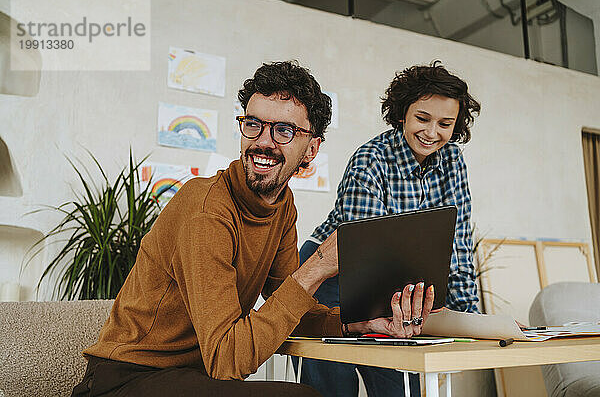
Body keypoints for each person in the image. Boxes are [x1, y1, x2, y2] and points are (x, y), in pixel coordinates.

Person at [70, 61, 435, 397]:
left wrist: (358, 323)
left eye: (284, 130)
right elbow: (227, 361)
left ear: (311, 150)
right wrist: (318, 265)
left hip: (191, 379)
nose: (263, 141)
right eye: (254, 125)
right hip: (125, 380)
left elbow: (295, 312)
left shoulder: (281, 206)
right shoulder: (207, 211)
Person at [295, 61, 482, 397]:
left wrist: (469, 323)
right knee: (333, 386)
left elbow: (459, 246)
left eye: (445, 123)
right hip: (332, 273)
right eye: (422, 119)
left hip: (393, 276)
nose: (431, 132)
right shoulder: (371, 159)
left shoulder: (453, 159)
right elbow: (369, 252)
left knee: (396, 386)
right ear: (402, 115)